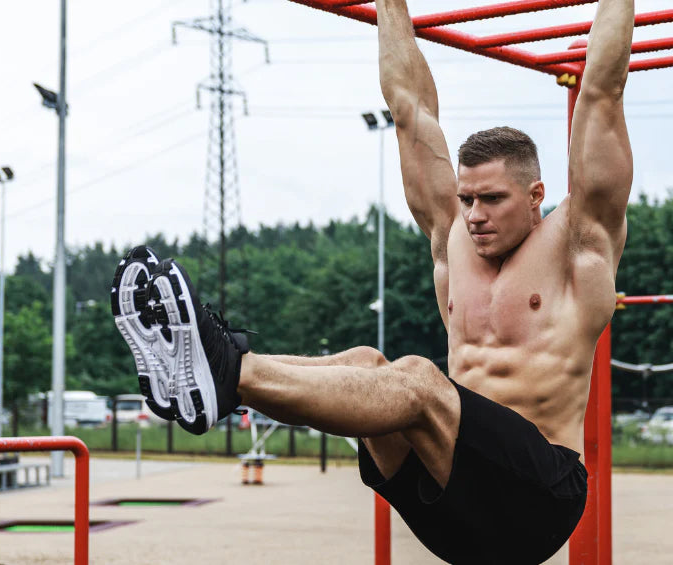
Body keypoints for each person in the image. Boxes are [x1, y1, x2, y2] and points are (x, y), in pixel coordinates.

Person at [110, 0, 633, 562]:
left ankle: (227, 368)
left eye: (492, 199)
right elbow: (409, 109)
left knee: (417, 380)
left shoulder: (580, 243)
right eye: (467, 198)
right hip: (452, 505)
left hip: (537, 501)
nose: (475, 213)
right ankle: (218, 383)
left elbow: (602, 89)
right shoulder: (451, 237)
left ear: (535, 196)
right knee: (364, 363)